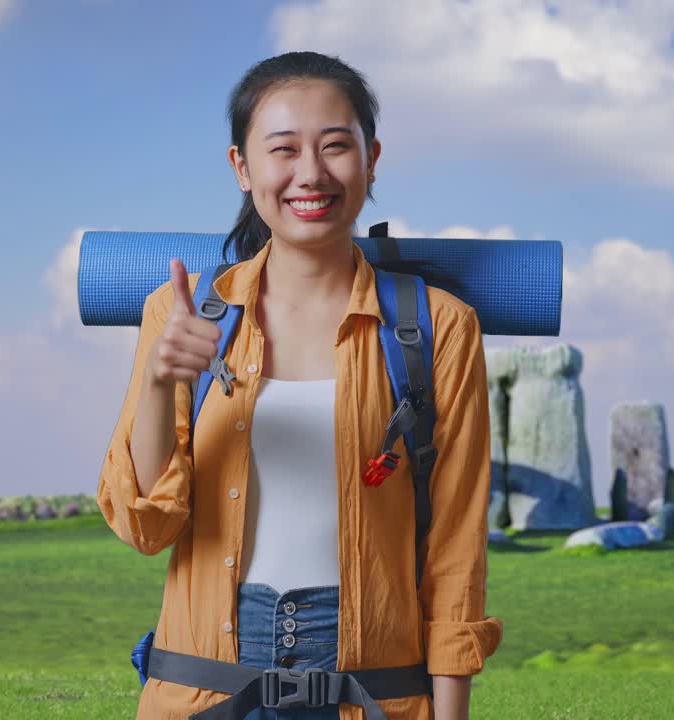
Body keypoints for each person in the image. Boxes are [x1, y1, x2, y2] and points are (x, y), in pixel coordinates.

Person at [97, 50, 502, 720]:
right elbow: (145, 527)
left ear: (371, 159)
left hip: (374, 693)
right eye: (282, 149)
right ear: (242, 168)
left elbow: (456, 552)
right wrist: (158, 380)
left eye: (335, 146)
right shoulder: (180, 313)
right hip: (203, 692)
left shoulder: (441, 327)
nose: (310, 173)